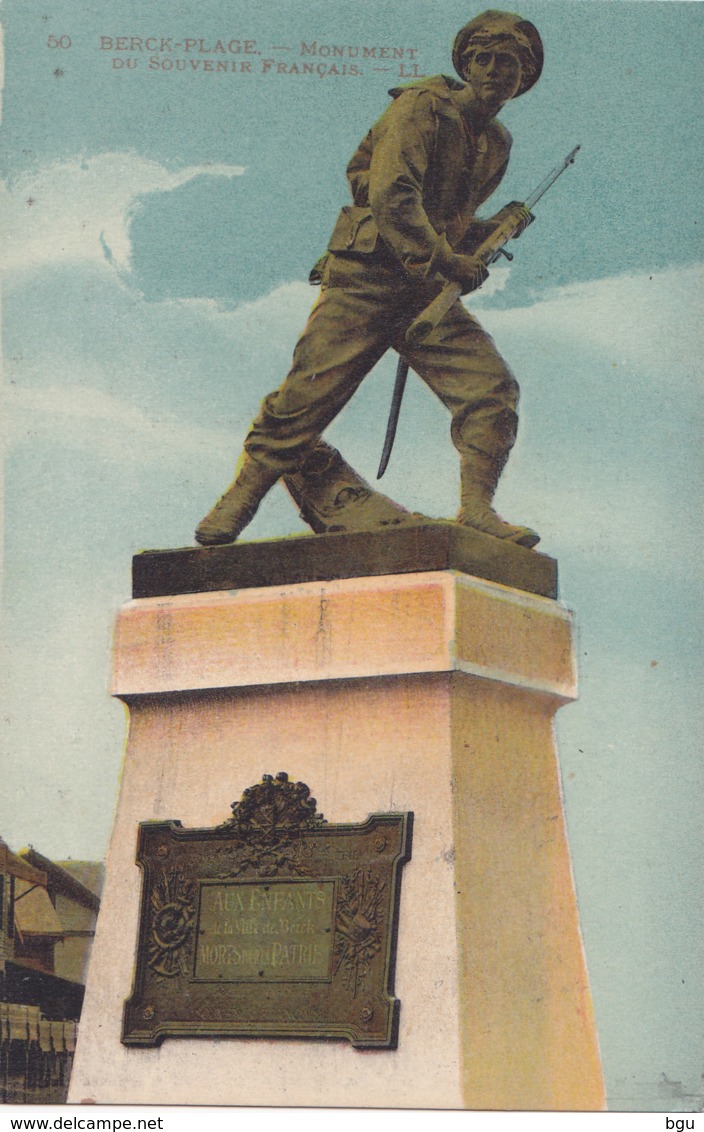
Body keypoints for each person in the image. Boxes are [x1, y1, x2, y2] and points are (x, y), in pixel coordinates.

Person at [195, 10, 543, 549]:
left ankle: (477, 509)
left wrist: (488, 231)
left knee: (490, 388)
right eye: (485, 58)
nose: (497, 70)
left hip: (422, 289)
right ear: (466, 64)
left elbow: (443, 217)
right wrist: (451, 262)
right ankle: (241, 496)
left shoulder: (496, 141)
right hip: (367, 275)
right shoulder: (421, 106)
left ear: (524, 78)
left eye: (511, 63)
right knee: (306, 397)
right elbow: (393, 195)